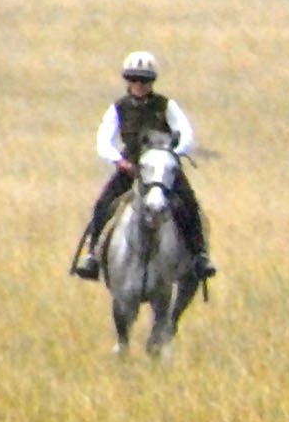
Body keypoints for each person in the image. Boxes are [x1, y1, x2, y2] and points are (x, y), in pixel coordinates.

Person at [72, 51, 215, 281]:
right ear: (127, 80)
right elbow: (103, 140)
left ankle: (200, 256)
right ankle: (92, 256)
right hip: (132, 166)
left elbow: (186, 134)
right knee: (103, 204)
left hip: (162, 168)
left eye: (145, 80)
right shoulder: (118, 108)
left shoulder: (166, 106)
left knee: (188, 203)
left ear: (152, 82)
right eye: (134, 79)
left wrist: (171, 156)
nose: (139, 84)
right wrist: (120, 161)